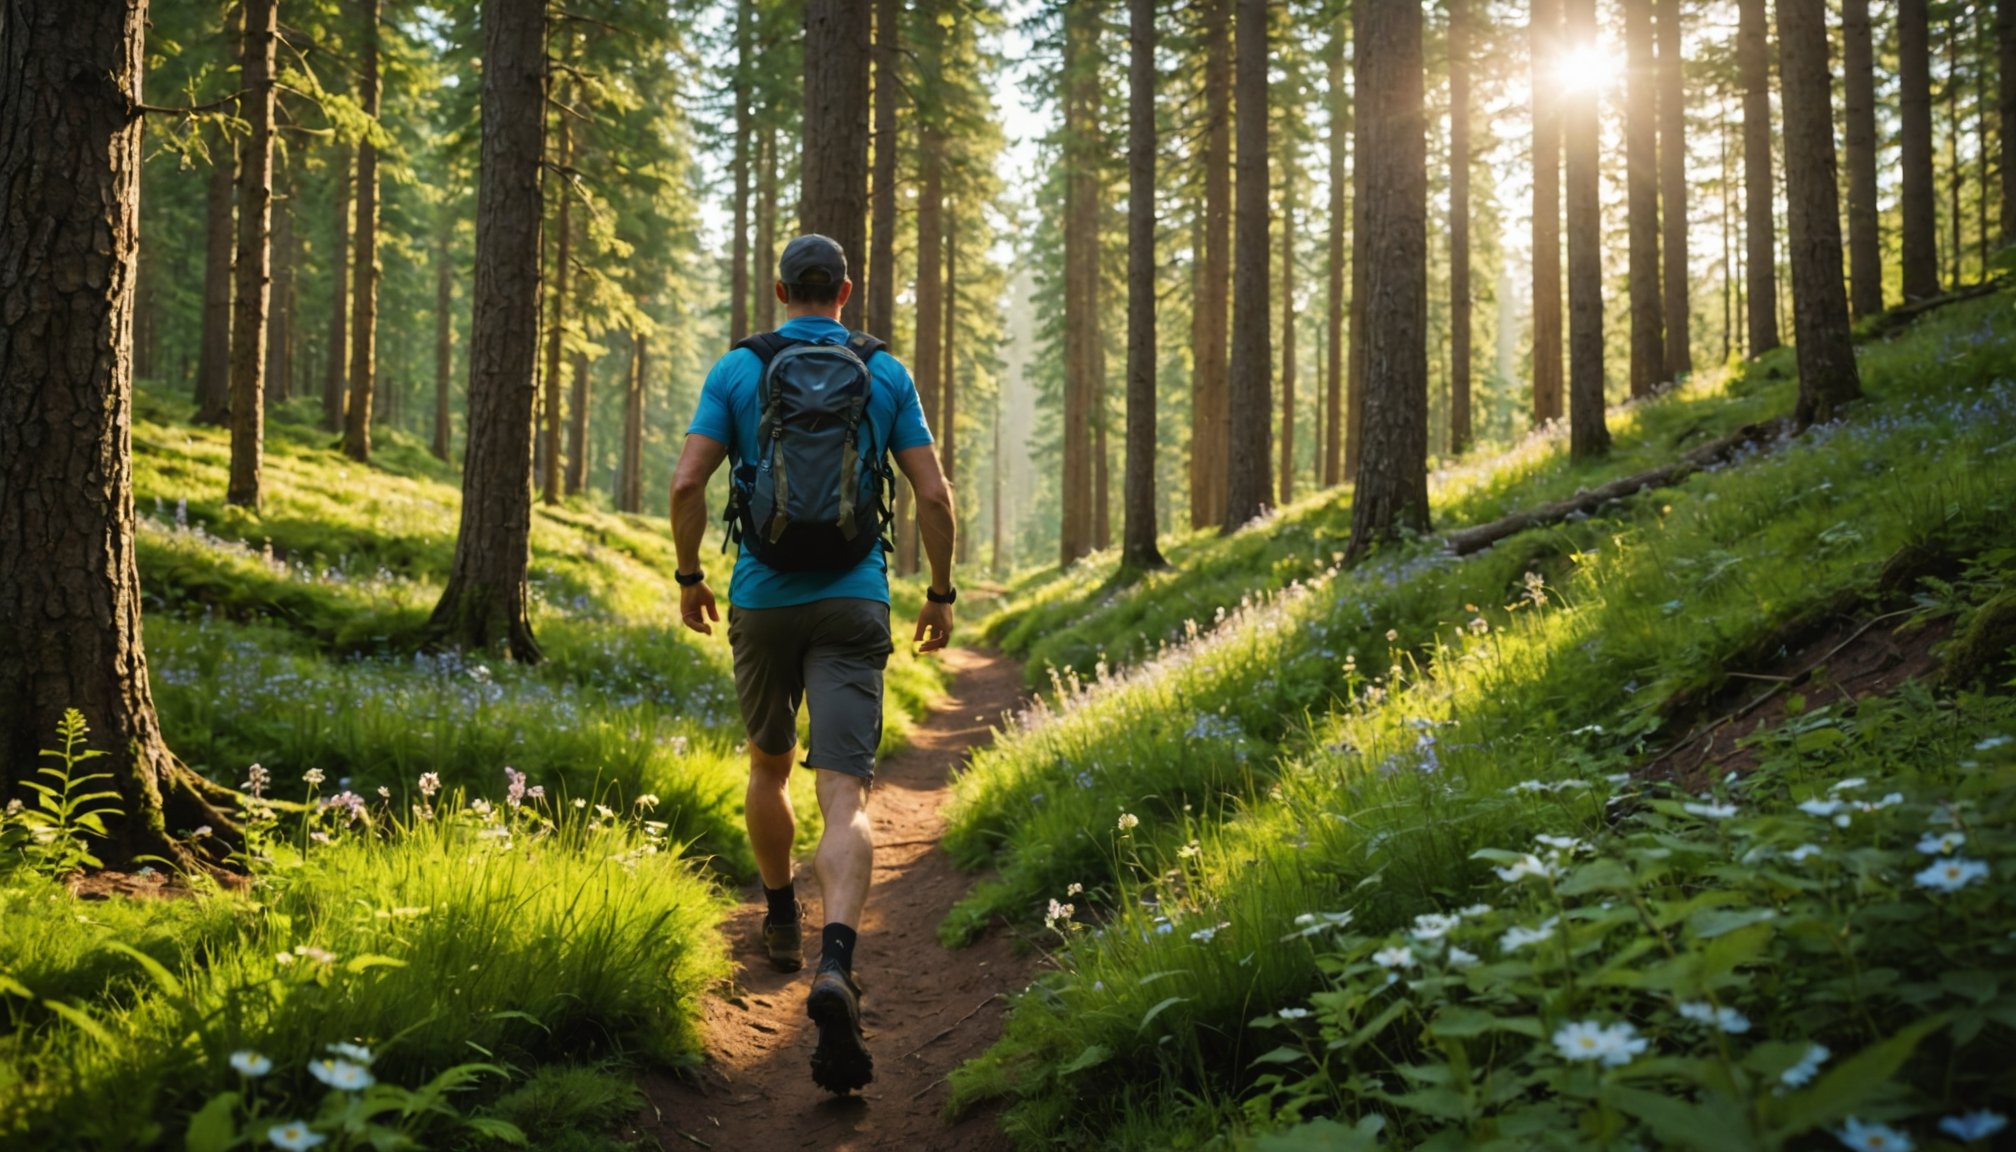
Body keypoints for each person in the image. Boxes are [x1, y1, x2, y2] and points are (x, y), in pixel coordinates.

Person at [670, 234, 957, 1095]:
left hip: (761, 598)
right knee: (845, 792)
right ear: (845, 289)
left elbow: (689, 484)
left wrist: (690, 577)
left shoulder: (737, 370)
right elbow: (933, 496)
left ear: (780, 288)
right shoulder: (887, 372)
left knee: (768, 764)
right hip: (854, 598)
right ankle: (837, 962)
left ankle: (781, 917)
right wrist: (940, 593)